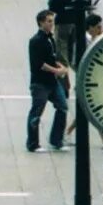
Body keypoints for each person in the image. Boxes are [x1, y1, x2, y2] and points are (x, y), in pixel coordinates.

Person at [26, 10, 69, 154]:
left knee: (62, 106)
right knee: (36, 112)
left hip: (52, 81)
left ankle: (56, 140)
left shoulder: (50, 39)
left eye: (52, 21)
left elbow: (52, 57)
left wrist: (60, 67)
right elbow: (40, 63)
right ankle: (33, 143)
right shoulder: (36, 41)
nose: (52, 24)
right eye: (49, 21)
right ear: (41, 22)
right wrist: (56, 71)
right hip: (40, 82)